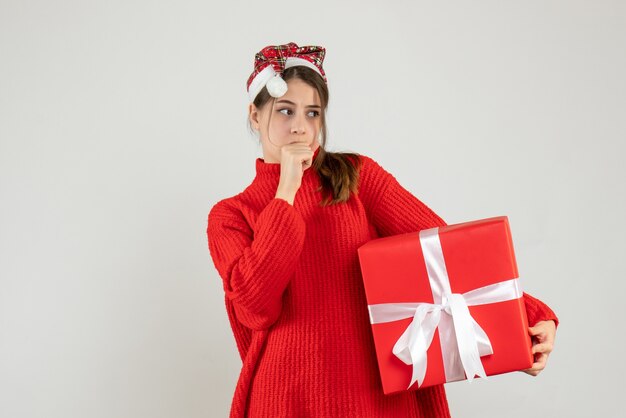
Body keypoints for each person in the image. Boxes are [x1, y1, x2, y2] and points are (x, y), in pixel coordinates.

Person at [207, 42, 558, 418]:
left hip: (377, 392)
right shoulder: (230, 215)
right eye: (285, 111)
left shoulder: (356, 177)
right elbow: (255, 307)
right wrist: (286, 192)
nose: (299, 126)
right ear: (255, 116)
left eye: (313, 113)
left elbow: (444, 253)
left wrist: (527, 316)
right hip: (287, 397)